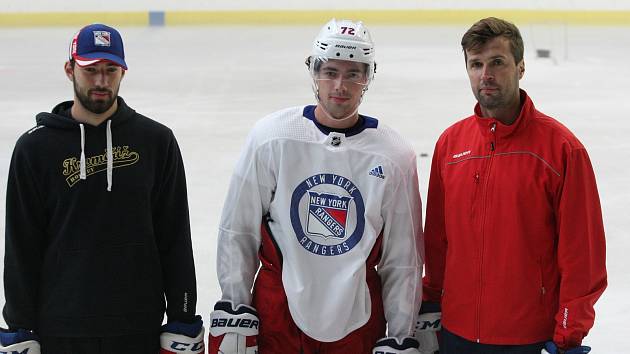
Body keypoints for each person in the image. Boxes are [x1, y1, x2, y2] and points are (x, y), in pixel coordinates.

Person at [208, 19, 424, 354]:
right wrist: (235, 305)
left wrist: (400, 332)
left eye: (353, 73)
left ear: (368, 77)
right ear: (313, 71)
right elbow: (238, 229)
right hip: (276, 315)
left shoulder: (394, 155)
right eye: (330, 71)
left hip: (358, 321)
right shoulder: (272, 138)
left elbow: (403, 257)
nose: (340, 85)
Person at [0, 24, 204, 354]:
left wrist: (182, 316)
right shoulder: (34, 149)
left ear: (123, 72)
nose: (100, 81)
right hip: (60, 329)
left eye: (110, 70)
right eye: (90, 70)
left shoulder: (155, 142)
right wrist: (19, 327)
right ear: (70, 70)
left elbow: (174, 236)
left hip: (139, 327)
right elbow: (22, 246)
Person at [419, 17, 607, 354]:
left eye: (497, 62)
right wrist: (430, 305)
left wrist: (569, 333)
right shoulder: (450, 145)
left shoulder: (562, 150)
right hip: (455, 333)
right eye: (475, 64)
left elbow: (583, 255)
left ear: (520, 68)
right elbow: (437, 240)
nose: (485, 74)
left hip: (529, 339)